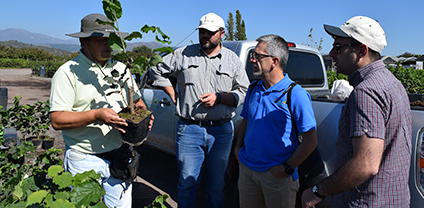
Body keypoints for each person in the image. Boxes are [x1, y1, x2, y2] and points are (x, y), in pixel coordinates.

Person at [302, 16, 412, 207]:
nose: (331, 53)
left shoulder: (366, 92)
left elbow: (366, 165)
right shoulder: (390, 82)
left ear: (362, 50)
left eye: (338, 48)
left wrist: (317, 191)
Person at [50, 13, 153, 208]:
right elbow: (57, 119)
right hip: (85, 159)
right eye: (100, 40)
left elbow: (138, 103)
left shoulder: (121, 69)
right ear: (84, 41)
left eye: (111, 40)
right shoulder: (68, 72)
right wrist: (97, 115)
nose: (108, 45)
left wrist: (143, 115)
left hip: (120, 155)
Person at [148, 12, 250, 208]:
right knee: (187, 184)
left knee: (217, 185)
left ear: (222, 33)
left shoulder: (232, 60)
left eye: (210, 32)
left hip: (221, 132)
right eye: (202, 31)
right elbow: (155, 69)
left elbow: (243, 91)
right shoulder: (183, 54)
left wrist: (219, 98)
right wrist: (171, 90)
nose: (205, 36)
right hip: (189, 129)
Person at [234, 34, 318, 208]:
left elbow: (310, 141)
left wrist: (286, 168)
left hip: (277, 177)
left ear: (274, 61)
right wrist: (237, 149)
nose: (252, 60)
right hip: (248, 170)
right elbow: (246, 121)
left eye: (257, 56)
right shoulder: (254, 88)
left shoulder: (295, 94)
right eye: (252, 55)